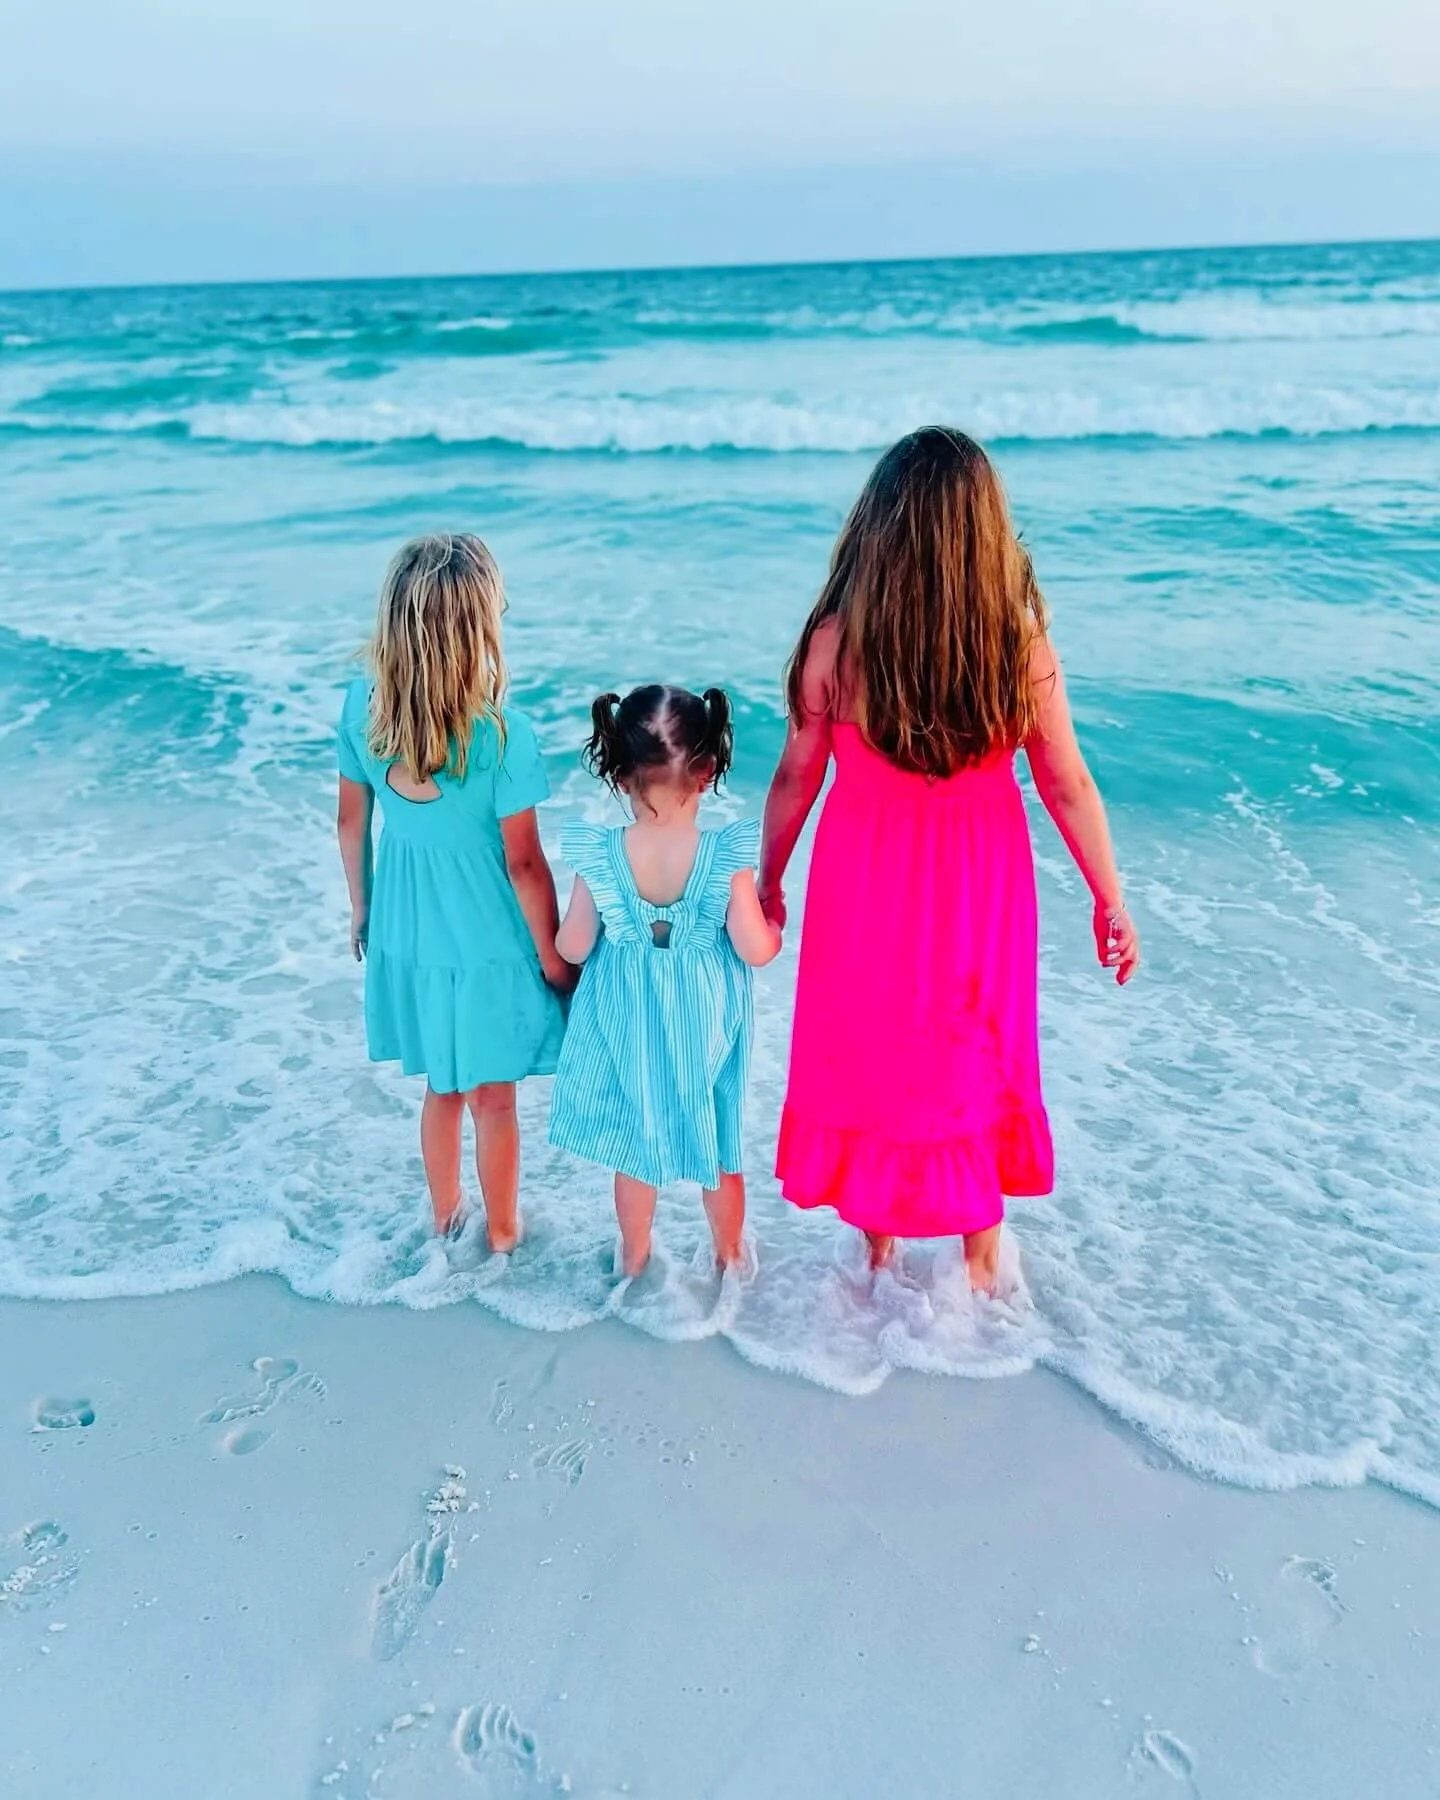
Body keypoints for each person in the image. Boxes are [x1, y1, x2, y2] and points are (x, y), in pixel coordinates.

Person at [758, 428, 1139, 1291]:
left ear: (878, 529)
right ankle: (980, 1268)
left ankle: (878, 1251)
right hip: (981, 887)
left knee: (876, 1044)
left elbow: (794, 777)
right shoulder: (1018, 649)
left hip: (864, 881)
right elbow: (1067, 784)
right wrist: (1108, 898)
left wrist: (772, 874)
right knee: (974, 1044)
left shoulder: (835, 646)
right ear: (984, 534)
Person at [336, 533, 571, 1248]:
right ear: (479, 630)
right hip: (487, 944)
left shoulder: (361, 710)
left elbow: (352, 824)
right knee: (494, 1098)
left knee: (442, 1086)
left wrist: (364, 911)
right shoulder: (502, 735)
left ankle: (445, 1217)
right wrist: (557, 959)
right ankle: (502, 1231)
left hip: (408, 934)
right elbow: (524, 866)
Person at [550, 685, 782, 1278]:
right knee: (717, 1140)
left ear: (620, 772)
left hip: (628, 1019)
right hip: (704, 1021)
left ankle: (634, 1257)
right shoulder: (723, 855)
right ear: (707, 770)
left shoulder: (602, 854)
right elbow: (755, 951)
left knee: (636, 1145)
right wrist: (775, 924)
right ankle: (730, 1256)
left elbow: (572, 946)